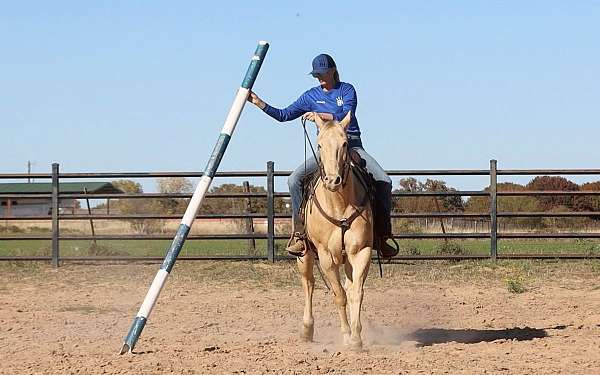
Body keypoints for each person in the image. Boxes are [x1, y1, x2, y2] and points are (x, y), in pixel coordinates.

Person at [248, 53, 398, 259]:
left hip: (351, 145)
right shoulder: (310, 96)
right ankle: (300, 234)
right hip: (325, 151)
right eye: (316, 74)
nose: (318, 78)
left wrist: (320, 116)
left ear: (332, 71)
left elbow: (347, 114)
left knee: (383, 180)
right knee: (294, 180)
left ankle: (382, 235)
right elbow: (283, 115)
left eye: (322, 73)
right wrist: (259, 102)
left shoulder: (346, 90)